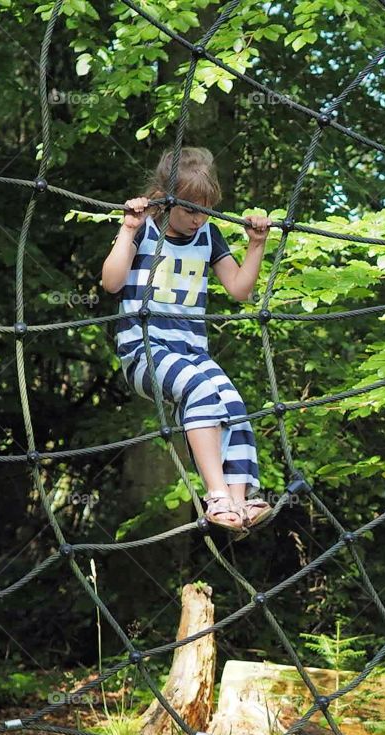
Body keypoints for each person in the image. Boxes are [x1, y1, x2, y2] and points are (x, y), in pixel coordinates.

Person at [100, 146, 272, 533]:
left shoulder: (208, 235)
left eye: (205, 210)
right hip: (144, 351)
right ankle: (217, 495)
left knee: (234, 404)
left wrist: (256, 245)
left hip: (192, 351)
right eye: (190, 209)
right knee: (199, 390)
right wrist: (127, 229)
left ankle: (240, 502)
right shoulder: (144, 228)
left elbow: (240, 289)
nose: (198, 219)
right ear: (165, 199)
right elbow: (111, 281)